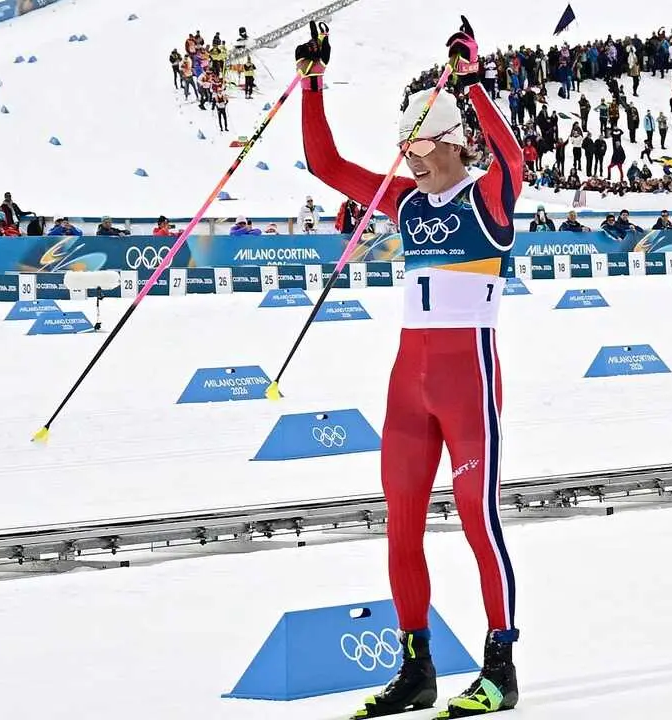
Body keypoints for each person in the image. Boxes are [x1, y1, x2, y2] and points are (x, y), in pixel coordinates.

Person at [298, 17, 522, 718]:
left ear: (455, 141)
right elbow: (327, 166)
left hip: (468, 382)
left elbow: (514, 154)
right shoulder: (404, 202)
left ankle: (500, 671)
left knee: (479, 523)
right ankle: (416, 668)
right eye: (405, 150)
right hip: (408, 387)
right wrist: (312, 84)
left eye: (423, 146)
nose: (413, 161)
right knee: (400, 527)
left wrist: (472, 83)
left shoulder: (489, 198)